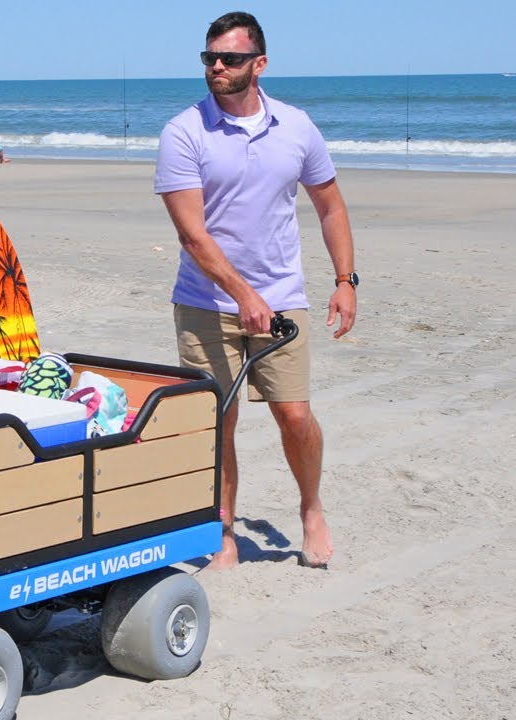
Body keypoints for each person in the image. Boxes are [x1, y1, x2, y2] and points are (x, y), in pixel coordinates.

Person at [154, 11, 357, 571]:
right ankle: (222, 531)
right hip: (205, 303)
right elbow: (193, 235)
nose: (217, 67)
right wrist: (244, 295)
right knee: (217, 420)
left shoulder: (296, 127)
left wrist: (344, 280)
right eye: (209, 58)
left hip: (284, 299)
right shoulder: (184, 132)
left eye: (230, 58)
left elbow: (330, 205)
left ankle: (311, 508)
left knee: (295, 417)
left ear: (259, 64)